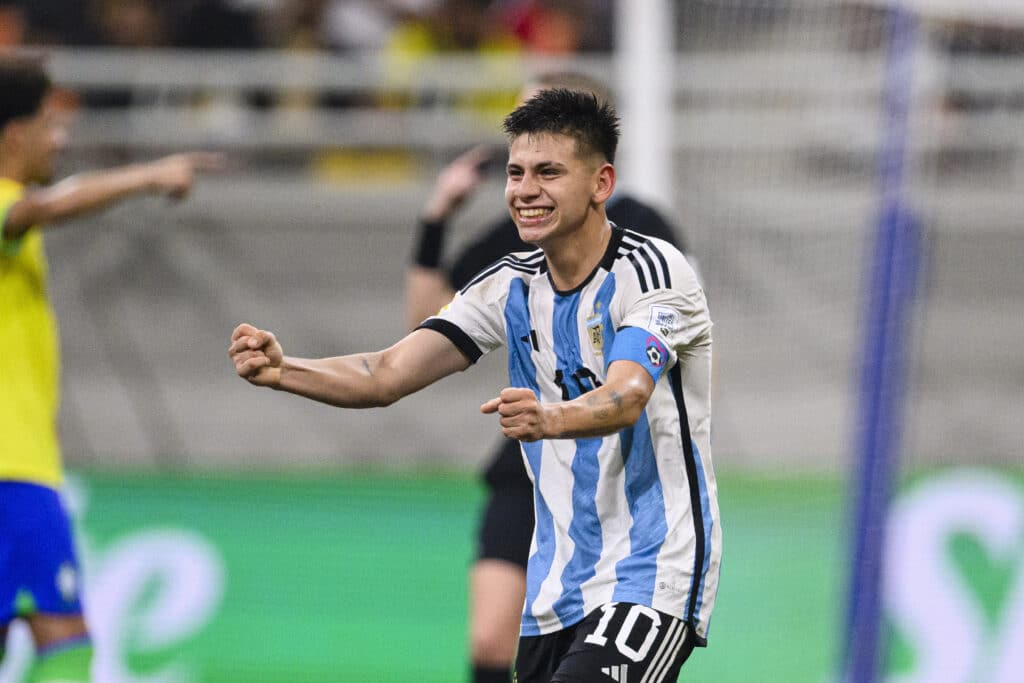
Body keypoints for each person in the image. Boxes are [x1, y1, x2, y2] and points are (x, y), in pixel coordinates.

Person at [231, 88, 720, 682]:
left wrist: (550, 418)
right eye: (516, 173)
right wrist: (285, 371)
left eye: (548, 172)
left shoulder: (654, 269)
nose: (524, 189)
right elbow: (385, 374)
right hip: (556, 588)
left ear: (600, 183)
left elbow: (628, 394)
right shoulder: (508, 284)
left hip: (653, 569)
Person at [406, 72, 690, 683]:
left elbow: (651, 361)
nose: (527, 173)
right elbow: (417, 336)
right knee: (488, 641)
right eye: (517, 162)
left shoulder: (646, 239)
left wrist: (560, 413)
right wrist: (436, 219)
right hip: (533, 464)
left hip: (622, 478)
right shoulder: (512, 247)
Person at [0, 54, 221, 683]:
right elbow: (37, 209)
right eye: (50, 124)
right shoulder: (7, 205)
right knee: (64, 639)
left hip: (17, 467)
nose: (60, 139)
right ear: (16, 135)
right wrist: (148, 176)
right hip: (12, 473)